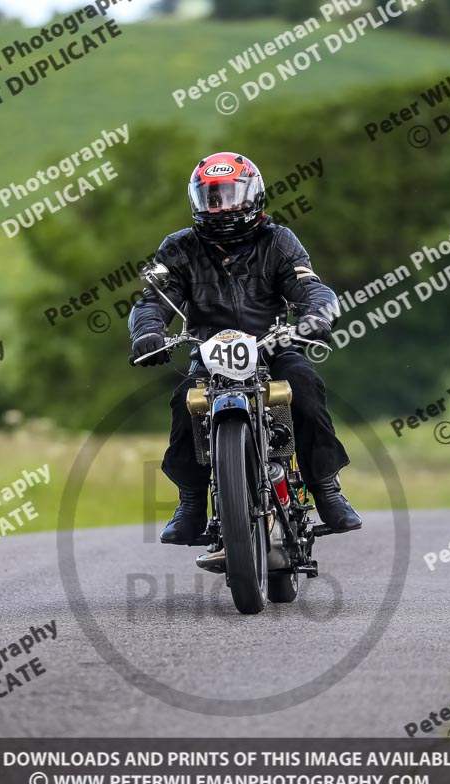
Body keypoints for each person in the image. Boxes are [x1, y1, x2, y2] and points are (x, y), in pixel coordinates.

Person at [129, 152, 361, 545]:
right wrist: (147, 332)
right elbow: (152, 299)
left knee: (304, 386)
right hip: (208, 353)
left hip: (272, 347)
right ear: (197, 201)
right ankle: (190, 502)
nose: (221, 207)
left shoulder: (279, 240)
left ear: (253, 196)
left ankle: (325, 488)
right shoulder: (179, 247)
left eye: (229, 197)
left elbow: (308, 285)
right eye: (212, 198)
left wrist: (318, 314)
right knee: (185, 400)